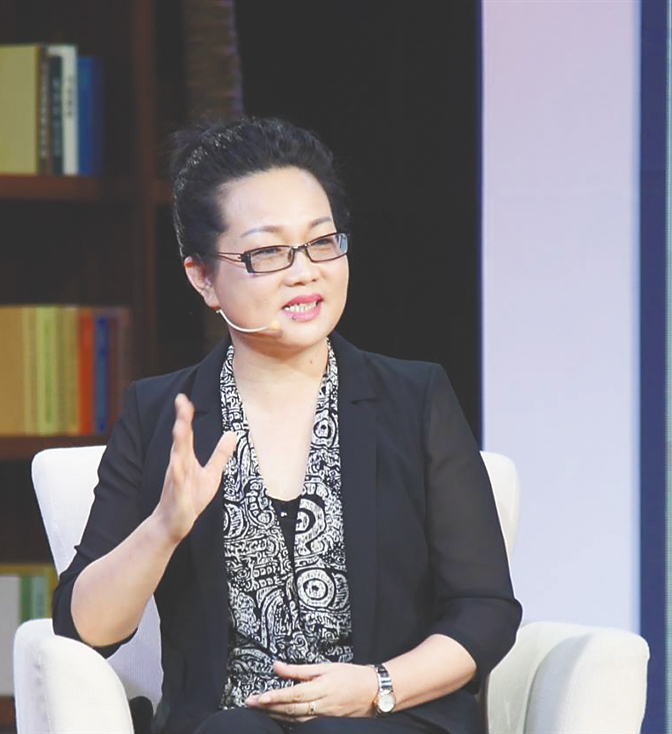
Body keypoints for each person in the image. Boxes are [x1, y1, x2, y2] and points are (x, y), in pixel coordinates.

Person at [53, 116, 522, 734]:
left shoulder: (415, 399)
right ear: (203, 277)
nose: (305, 271)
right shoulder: (160, 413)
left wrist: (377, 686)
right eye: (268, 252)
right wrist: (163, 529)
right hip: (230, 721)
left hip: (387, 714)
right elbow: (85, 628)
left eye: (322, 242)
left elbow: (484, 609)